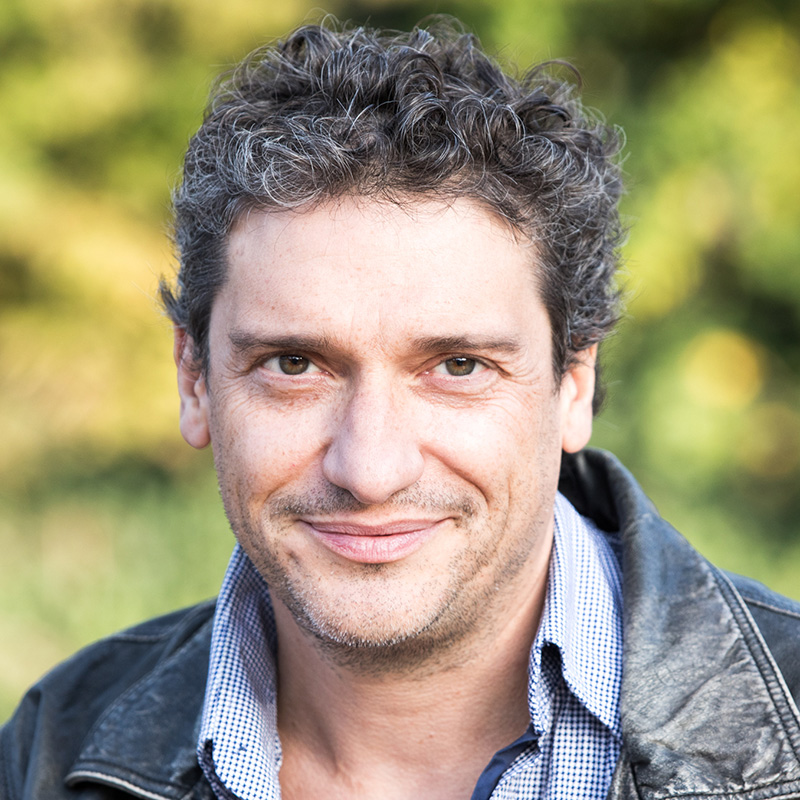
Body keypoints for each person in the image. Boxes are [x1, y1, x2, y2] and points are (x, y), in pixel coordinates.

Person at [3, 17, 800, 800]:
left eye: (458, 367)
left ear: (575, 385)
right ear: (194, 380)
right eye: (294, 365)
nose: (371, 469)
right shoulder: (49, 749)